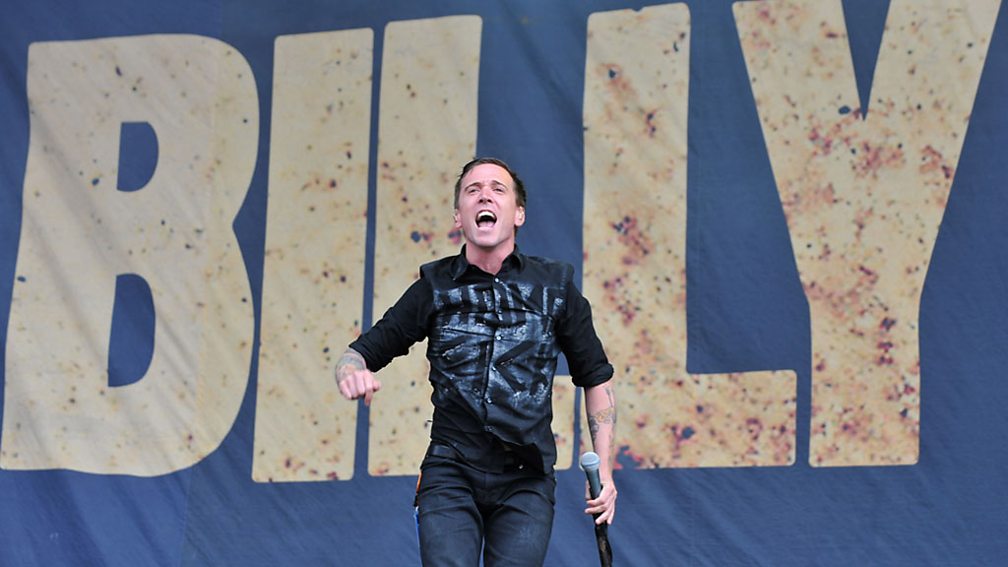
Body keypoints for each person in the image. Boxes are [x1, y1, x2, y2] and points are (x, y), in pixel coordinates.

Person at [335, 157, 618, 566]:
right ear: (458, 216)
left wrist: (604, 470)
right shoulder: (434, 287)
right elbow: (359, 353)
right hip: (451, 469)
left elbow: (596, 378)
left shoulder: (555, 287)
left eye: (498, 189)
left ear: (518, 214)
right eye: (473, 190)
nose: (485, 195)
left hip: (526, 477)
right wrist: (351, 373)